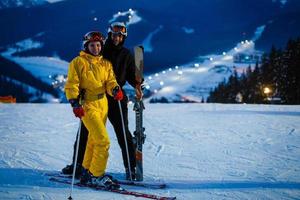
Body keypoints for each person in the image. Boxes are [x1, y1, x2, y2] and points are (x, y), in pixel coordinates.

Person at [62, 22, 143, 180]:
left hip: (116, 99)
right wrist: (76, 100)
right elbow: (86, 65)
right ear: (109, 35)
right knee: (85, 134)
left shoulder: (126, 55)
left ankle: (130, 167)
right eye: (114, 34)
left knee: (122, 133)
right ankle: (79, 165)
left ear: (124, 37)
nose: (117, 38)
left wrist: (138, 85)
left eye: (120, 35)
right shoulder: (100, 49)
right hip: (94, 100)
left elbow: (132, 76)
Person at [64, 31, 123, 188]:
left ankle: (88, 170)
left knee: (93, 140)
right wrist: (74, 103)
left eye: (98, 45)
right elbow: (72, 84)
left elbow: (110, 81)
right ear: (86, 46)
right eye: (92, 45)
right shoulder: (78, 63)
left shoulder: (105, 64)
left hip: (103, 104)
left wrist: (115, 89)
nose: (96, 48)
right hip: (87, 105)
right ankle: (97, 175)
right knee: (103, 141)